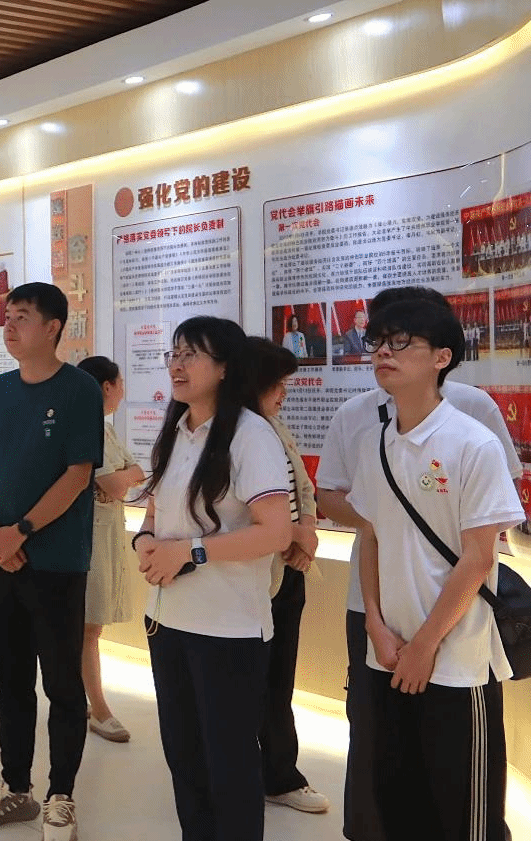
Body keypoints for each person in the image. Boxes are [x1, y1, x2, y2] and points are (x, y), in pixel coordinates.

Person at [316, 287, 522, 841]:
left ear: (441, 357)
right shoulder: (373, 441)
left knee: (463, 810)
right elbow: (372, 534)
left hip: (455, 656)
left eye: (402, 342)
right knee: (398, 797)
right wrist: (376, 624)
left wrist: (426, 644)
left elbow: (479, 557)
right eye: (379, 341)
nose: (384, 352)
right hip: (389, 649)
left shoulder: (473, 442)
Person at [134, 316, 291, 841]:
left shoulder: (251, 435)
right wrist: (145, 540)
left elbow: (276, 532)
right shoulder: (176, 431)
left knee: (229, 764)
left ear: (224, 367)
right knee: (184, 758)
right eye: (174, 354)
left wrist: (190, 552)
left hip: (227, 628)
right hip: (167, 620)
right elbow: (155, 511)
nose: (177, 365)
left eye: (191, 355)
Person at [0, 281, 102, 838]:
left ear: (52, 328)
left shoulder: (79, 390)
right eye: (8, 316)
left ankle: (60, 794)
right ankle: (15, 787)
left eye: (22, 316)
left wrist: (19, 532)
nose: (10, 326)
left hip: (56, 562)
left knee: (62, 684)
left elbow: (78, 474)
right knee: (11, 681)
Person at [240, 337, 331, 815]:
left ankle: (279, 773)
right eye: (278, 384)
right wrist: (291, 534)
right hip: (249, 576)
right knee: (246, 680)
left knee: (279, 678)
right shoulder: (232, 433)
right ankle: (239, 773)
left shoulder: (275, 426)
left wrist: (306, 533)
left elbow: (304, 489)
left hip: (288, 571)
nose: (284, 393)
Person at [75, 356, 144, 744]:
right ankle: (98, 709)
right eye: (120, 382)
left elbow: (136, 473)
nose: (123, 390)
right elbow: (118, 485)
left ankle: (88, 703)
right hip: (88, 536)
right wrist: (123, 478)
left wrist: (123, 477)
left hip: (105, 532)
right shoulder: (86, 428)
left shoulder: (105, 427)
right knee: (87, 625)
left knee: (91, 625)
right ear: (106, 386)